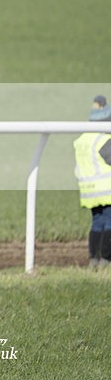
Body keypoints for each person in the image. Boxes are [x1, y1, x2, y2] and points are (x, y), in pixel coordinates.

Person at [73, 94, 111, 268]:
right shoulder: (104, 139)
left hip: (89, 190)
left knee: (97, 223)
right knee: (109, 223)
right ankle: (106, 259)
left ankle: (93, 259)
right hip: (107, 189)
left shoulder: (83, 139)